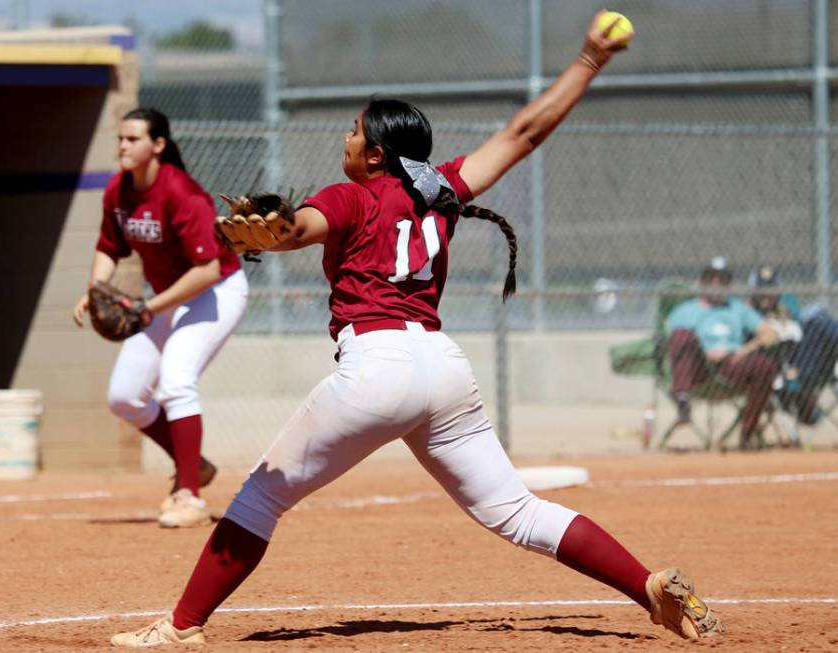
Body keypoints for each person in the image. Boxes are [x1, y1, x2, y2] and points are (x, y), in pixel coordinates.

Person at [111, 13, 723, 647]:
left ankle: (179, 628)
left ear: (376, 154)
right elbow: (524, 133)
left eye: (353, 133)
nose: (345, 140)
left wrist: (279, 226)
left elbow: (298, 229)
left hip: (377, 368)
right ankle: (646, 586)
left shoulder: (352, 194)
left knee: (261, 498)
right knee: (516, 512)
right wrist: (591, 59)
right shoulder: (441, 188)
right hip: (443, 367)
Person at [72, 108, 248, 528]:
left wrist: (150, 308)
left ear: (158, 145)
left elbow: (206, 271)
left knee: (176, 379)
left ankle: (189, 496)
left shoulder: (181, 192)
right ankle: (194, 465)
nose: (123, 146)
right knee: (125, 396)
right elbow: (108, 247)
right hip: (167, 298)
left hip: (216, 290)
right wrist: (97, 289)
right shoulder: (119, 190)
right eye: (120, 139)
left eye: (133, 139)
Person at [665, 257, 779, 448]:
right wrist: (703, 351)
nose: (716, 284)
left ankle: (747, 432)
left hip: (732, 363)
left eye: (722, 279)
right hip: (700, 367)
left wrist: (745, 350)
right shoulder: (686, 310)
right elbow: (670, 341)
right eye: (711, 278)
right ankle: (683, 402)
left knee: (766, 366)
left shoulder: (737, 308)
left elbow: (770, 334)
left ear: (728, 284)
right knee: (681, 335)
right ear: (702, 282)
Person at [748, 265, 838, 425]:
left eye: (771, 289)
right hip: (781, 369)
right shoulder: (748, 313)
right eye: (762, 290)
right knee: (814, 317)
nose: (767, 295)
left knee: (816, 316)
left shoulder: (786, 303)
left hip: (806, 360)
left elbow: (797, 327)